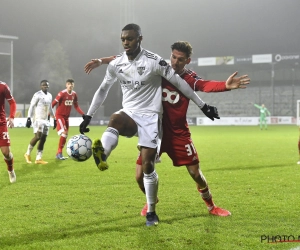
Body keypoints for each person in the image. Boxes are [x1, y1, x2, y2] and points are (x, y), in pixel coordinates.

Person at [85, 41, 250, 218]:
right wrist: (101, 61)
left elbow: (204, 85)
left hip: (179, 132)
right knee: (139, 176)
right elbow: (123, 57)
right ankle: (151, 201)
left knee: (195, 173)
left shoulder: (189, 78)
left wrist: (224, 86)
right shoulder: (158, 66)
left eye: (180, 59)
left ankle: (211, 206)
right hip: (154, 128)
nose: (175, 62)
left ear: (188, 60)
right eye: (173, 57)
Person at [24, 80, 56, 164]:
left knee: (43, 139)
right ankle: (27, 153)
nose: (45, 86)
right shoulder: (37, 94)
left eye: (47, 85)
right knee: (38, 136)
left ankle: (38, 158)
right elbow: (31, 106)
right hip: (38, 119)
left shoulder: (49, 95)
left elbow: (50, 108)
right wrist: (28, 118)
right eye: (43, 85)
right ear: (40, 86)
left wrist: (54, 118)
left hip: (46, 120)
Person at [52, 79, 85, 160]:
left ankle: (58, 154)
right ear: (66, 85)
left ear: (74, 85)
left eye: (72, 84)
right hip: (59, 116)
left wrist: (83, 114)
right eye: (69, 84)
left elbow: (76, 106)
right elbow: (53, 104)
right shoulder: (62, 93)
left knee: (65, 135)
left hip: (66, 118)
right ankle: (59, 153)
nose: (70, 85)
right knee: (64, 133)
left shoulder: (74, 94)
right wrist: (51, 115)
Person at [0, 81, 17, 183]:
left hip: (1, 124)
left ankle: (10, 170)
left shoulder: (3, 86)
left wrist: (11, 117)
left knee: (6, 153)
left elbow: (12, 102)